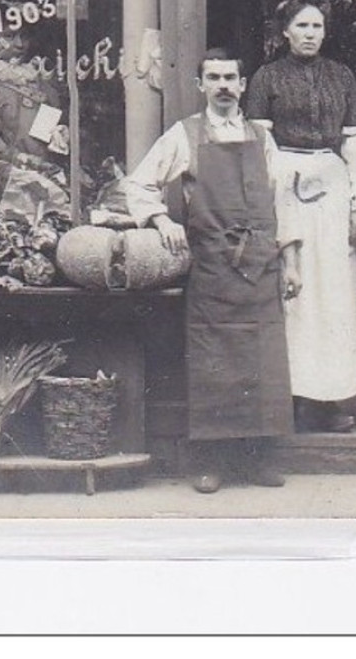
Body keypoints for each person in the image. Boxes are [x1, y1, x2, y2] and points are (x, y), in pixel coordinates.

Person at [124, 47, 302, 493]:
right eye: (214, 78)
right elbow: (139, 183)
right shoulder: (184, 135)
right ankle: (210, 462)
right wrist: (162, 220)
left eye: (230, 77)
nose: (223, 85)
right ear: (202, 85)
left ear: (242, 86)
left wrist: (292, 261)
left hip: (261, 266)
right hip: (213, 267)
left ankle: (257, 460)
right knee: (214, 367)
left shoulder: (264, 139)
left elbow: (284, 202)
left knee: (263, 364)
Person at [244, 0, 356, 434]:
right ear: (285, 32)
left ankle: (331, 399)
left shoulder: (342, 77)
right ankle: (294, 397)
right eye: (302, 27)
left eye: (317, 27)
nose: (310, 35)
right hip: (286, 183)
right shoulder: (266, 78)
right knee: (294, 290)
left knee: (334, 295)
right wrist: (279, 185)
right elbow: (261, 146)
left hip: (334, 187)